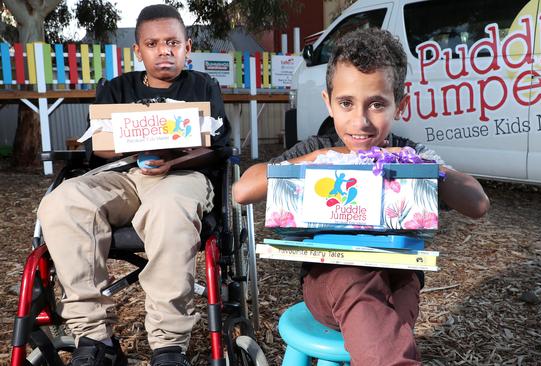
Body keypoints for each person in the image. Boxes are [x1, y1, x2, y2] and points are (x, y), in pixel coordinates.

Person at [233, 28, 490, 365]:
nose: (361, 121)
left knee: (389, 307)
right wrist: (315, 161)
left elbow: (477, 203)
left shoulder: (408, 156)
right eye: (346, 103)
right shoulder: (318, 150)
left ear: (400, 104)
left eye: (377, 104)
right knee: (356, 280)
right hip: (329, 281)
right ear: (328, 102)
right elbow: (243, 189)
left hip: (398, 280)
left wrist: (422, 168)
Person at [37, 5, 230, 366]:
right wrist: (138, 145)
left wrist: (171, 161)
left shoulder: (202, 87)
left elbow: (215, 147)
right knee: (62, 203)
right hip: (122, 175)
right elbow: (100, 145)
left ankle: (168, 345)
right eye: (153, 43)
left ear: (187, 47)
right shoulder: (116, 89)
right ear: (138, 50)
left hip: (181, 176)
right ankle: (95, 339)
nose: (164, 50)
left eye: (173, 42)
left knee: (169, 208)